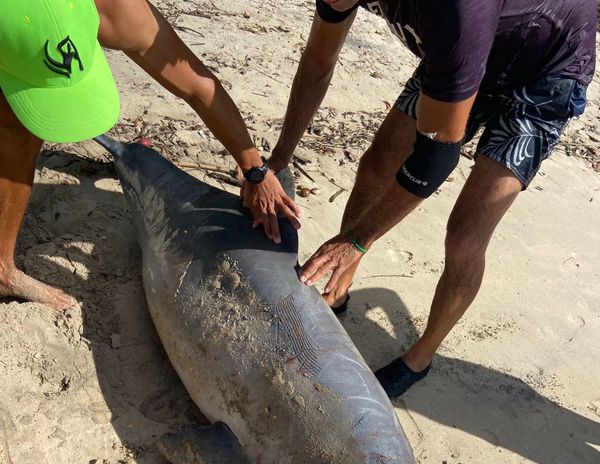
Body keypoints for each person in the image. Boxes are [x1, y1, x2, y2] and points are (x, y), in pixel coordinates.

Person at [269, 0, 596, 396]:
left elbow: (436, 157)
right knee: (377, 165)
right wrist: (278, 161)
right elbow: (319, 60)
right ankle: (337, 288)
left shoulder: (455, 10)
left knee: (465, 234)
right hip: (471, 47)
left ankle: (419, 359)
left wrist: (356, 239)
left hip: (547, 71)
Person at [0, 0, 300, 310]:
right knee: (15, 121)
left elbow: (198, 87)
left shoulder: (113, 8)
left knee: (23, 119)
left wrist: (255, 170)